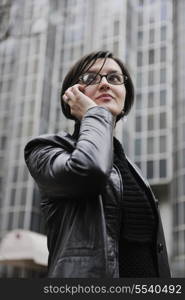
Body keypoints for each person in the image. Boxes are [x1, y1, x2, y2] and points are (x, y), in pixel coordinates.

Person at [24, 50, 171, 278]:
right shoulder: (44, 149)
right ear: (72, 94)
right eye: (90, 78)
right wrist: (94, 113)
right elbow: (89, 172)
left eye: (114, 78)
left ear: (125, 96)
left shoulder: (133, 170)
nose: (104, 84)